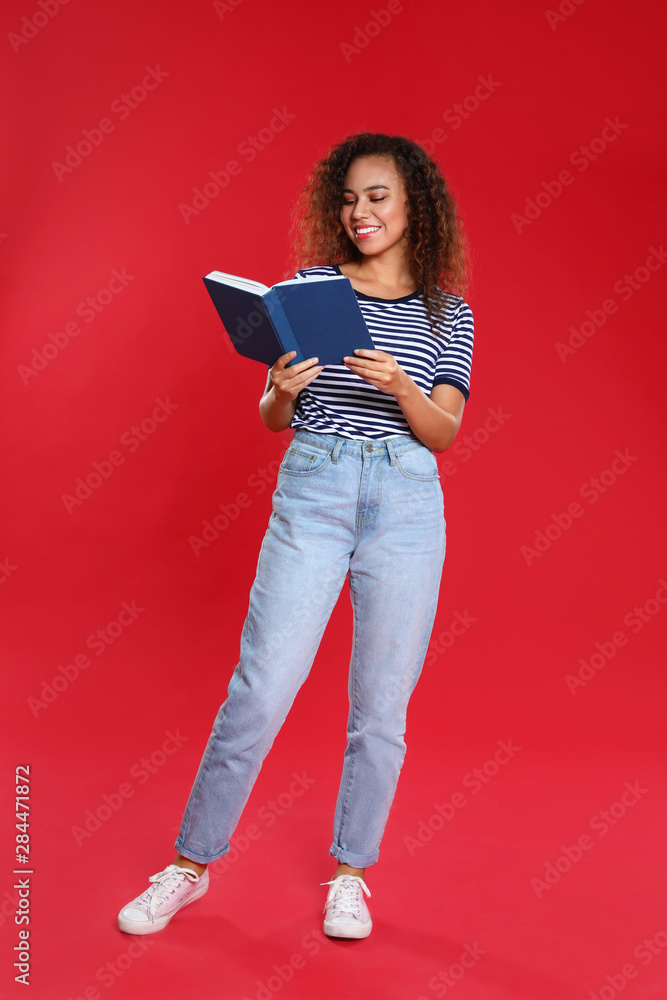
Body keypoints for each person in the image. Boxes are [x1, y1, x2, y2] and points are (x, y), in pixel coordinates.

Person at [117, 131, 474, 940]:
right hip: (313, 488)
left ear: (414, 203)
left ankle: (350, 875)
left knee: (380, 709)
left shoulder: (446, 313)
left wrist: (401, 386)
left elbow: (446, 429)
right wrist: (279, 388)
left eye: (376, 196)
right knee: (261, 687)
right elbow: (273, 418)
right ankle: (189, 865)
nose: (359, 212)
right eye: (348, 198)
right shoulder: (312, 287)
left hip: (406, 501)